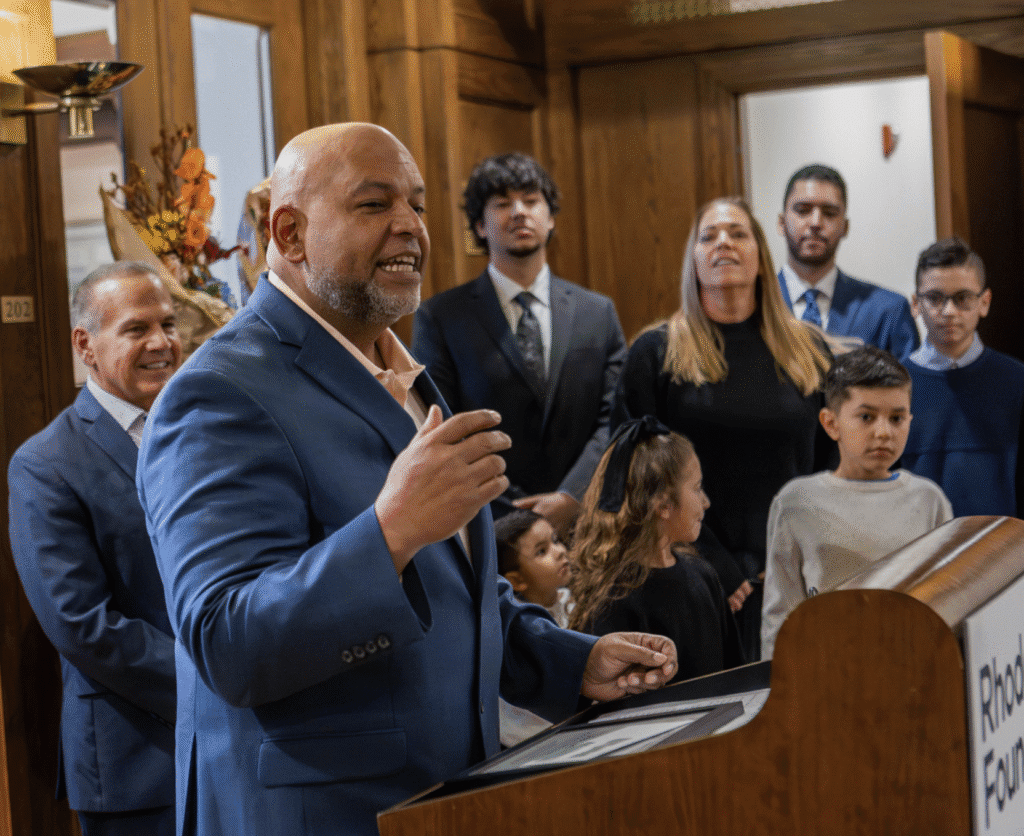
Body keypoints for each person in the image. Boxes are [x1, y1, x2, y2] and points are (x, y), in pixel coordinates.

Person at [136, 123, 677, 836]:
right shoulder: (220, 393)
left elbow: (454, 592)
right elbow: (226, 644)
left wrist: (570, 663)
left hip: (442, 799)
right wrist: (390, 531)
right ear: (290, 234)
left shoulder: (401, 374)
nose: (410, 228)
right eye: (373, 205)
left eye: (417, 205)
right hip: (318, 813)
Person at [612, 196, 833, 659]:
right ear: (693, 259)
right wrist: (715, 562)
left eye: (737, 233)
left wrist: (793, 556)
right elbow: (635, 470)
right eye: (708, 236)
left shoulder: (808, 349)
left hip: (793, 574)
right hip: (691, 575)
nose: (723, 244)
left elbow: (829, 464)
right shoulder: (655, 353)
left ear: (760, 255)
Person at [7, 262, 180, 836]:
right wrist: (216, 677)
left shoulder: (199, 433)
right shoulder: (46, 464)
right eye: (137, 329)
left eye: (169, 324)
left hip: (237, 749)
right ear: (86, 344)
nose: (162, 343)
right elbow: (82, 625)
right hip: (138, 765)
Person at [412, 152, 627, 537]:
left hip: (588, 523)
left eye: (531, 201)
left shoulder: (598, 312)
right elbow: (441, 424)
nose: (519, 212)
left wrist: (571, 496)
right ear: (479, 224)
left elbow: (616, 416)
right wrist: (516, 515)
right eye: (501, 204)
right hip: (492, 527)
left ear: (550, 218)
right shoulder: (441, 318)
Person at [761, 346, 952, 658]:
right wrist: (777, 686)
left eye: (896, 418)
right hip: (825, 671)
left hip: (912, 669)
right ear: (831, 423)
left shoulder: (929, 500)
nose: (883, 432)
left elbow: (947, 600)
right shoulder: (797, 501)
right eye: (866, 417)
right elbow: (780, 611)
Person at [568, 417, 745, 684]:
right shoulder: (615, 598)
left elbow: (735, 672)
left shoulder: (705, 576)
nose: (706, 502)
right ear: (663, 505)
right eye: (697, 488)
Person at [902, 237, 1024, 517]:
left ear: (984, 302)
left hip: (1000, 551)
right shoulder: (894, 385)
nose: (948, 312)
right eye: (934, 298)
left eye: (963, 298)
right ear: (915, 304)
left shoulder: (1017, 381)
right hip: (917, 552)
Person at [776, 163, 919, 357]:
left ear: (845, 227)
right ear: (782, 223)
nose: (816, 222)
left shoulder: (887, 310)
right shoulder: (752, 303)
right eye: (803, 210)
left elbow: (908, 387)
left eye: (829, 213)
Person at [495, 509, 572, 626]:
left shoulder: (578, 598)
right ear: (517, 580)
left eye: (555, 540)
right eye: (542, 551)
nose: (560, 551)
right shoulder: (526, 625)